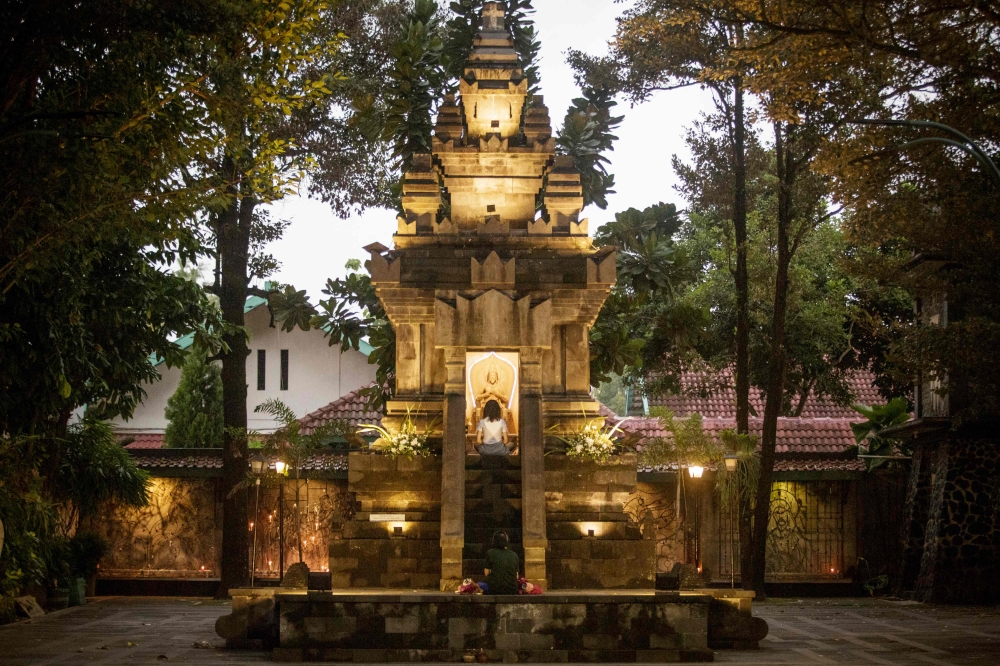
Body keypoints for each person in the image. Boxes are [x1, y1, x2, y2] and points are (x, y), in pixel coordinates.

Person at [483, 531, 519, 595]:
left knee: (479, 585)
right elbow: (516, 576)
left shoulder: (490, 553)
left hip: (494, 589)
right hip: (512, 590)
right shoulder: (514, 555)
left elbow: (486, 573)